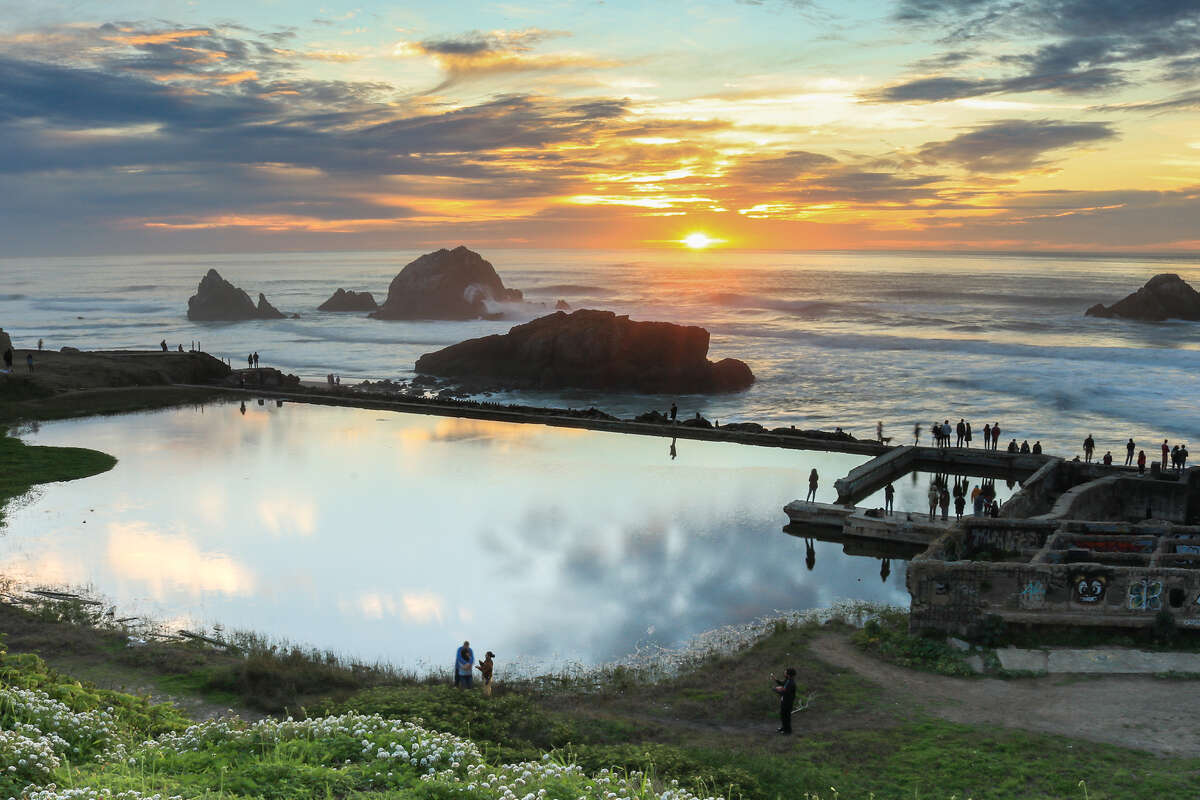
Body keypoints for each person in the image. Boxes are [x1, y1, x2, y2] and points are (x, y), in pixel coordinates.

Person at [771, 668, 797, 734]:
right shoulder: (788, 680)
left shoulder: (791, 683)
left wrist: (776, 689)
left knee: (786, 716)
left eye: (785, 672)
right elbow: (782, 684)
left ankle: (788, 731)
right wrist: (775, 679)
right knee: (783, 715)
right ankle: (784, 728)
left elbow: (785, 693)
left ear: (788, 674)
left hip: (788, 703)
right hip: (784, 701)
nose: (784, 673)